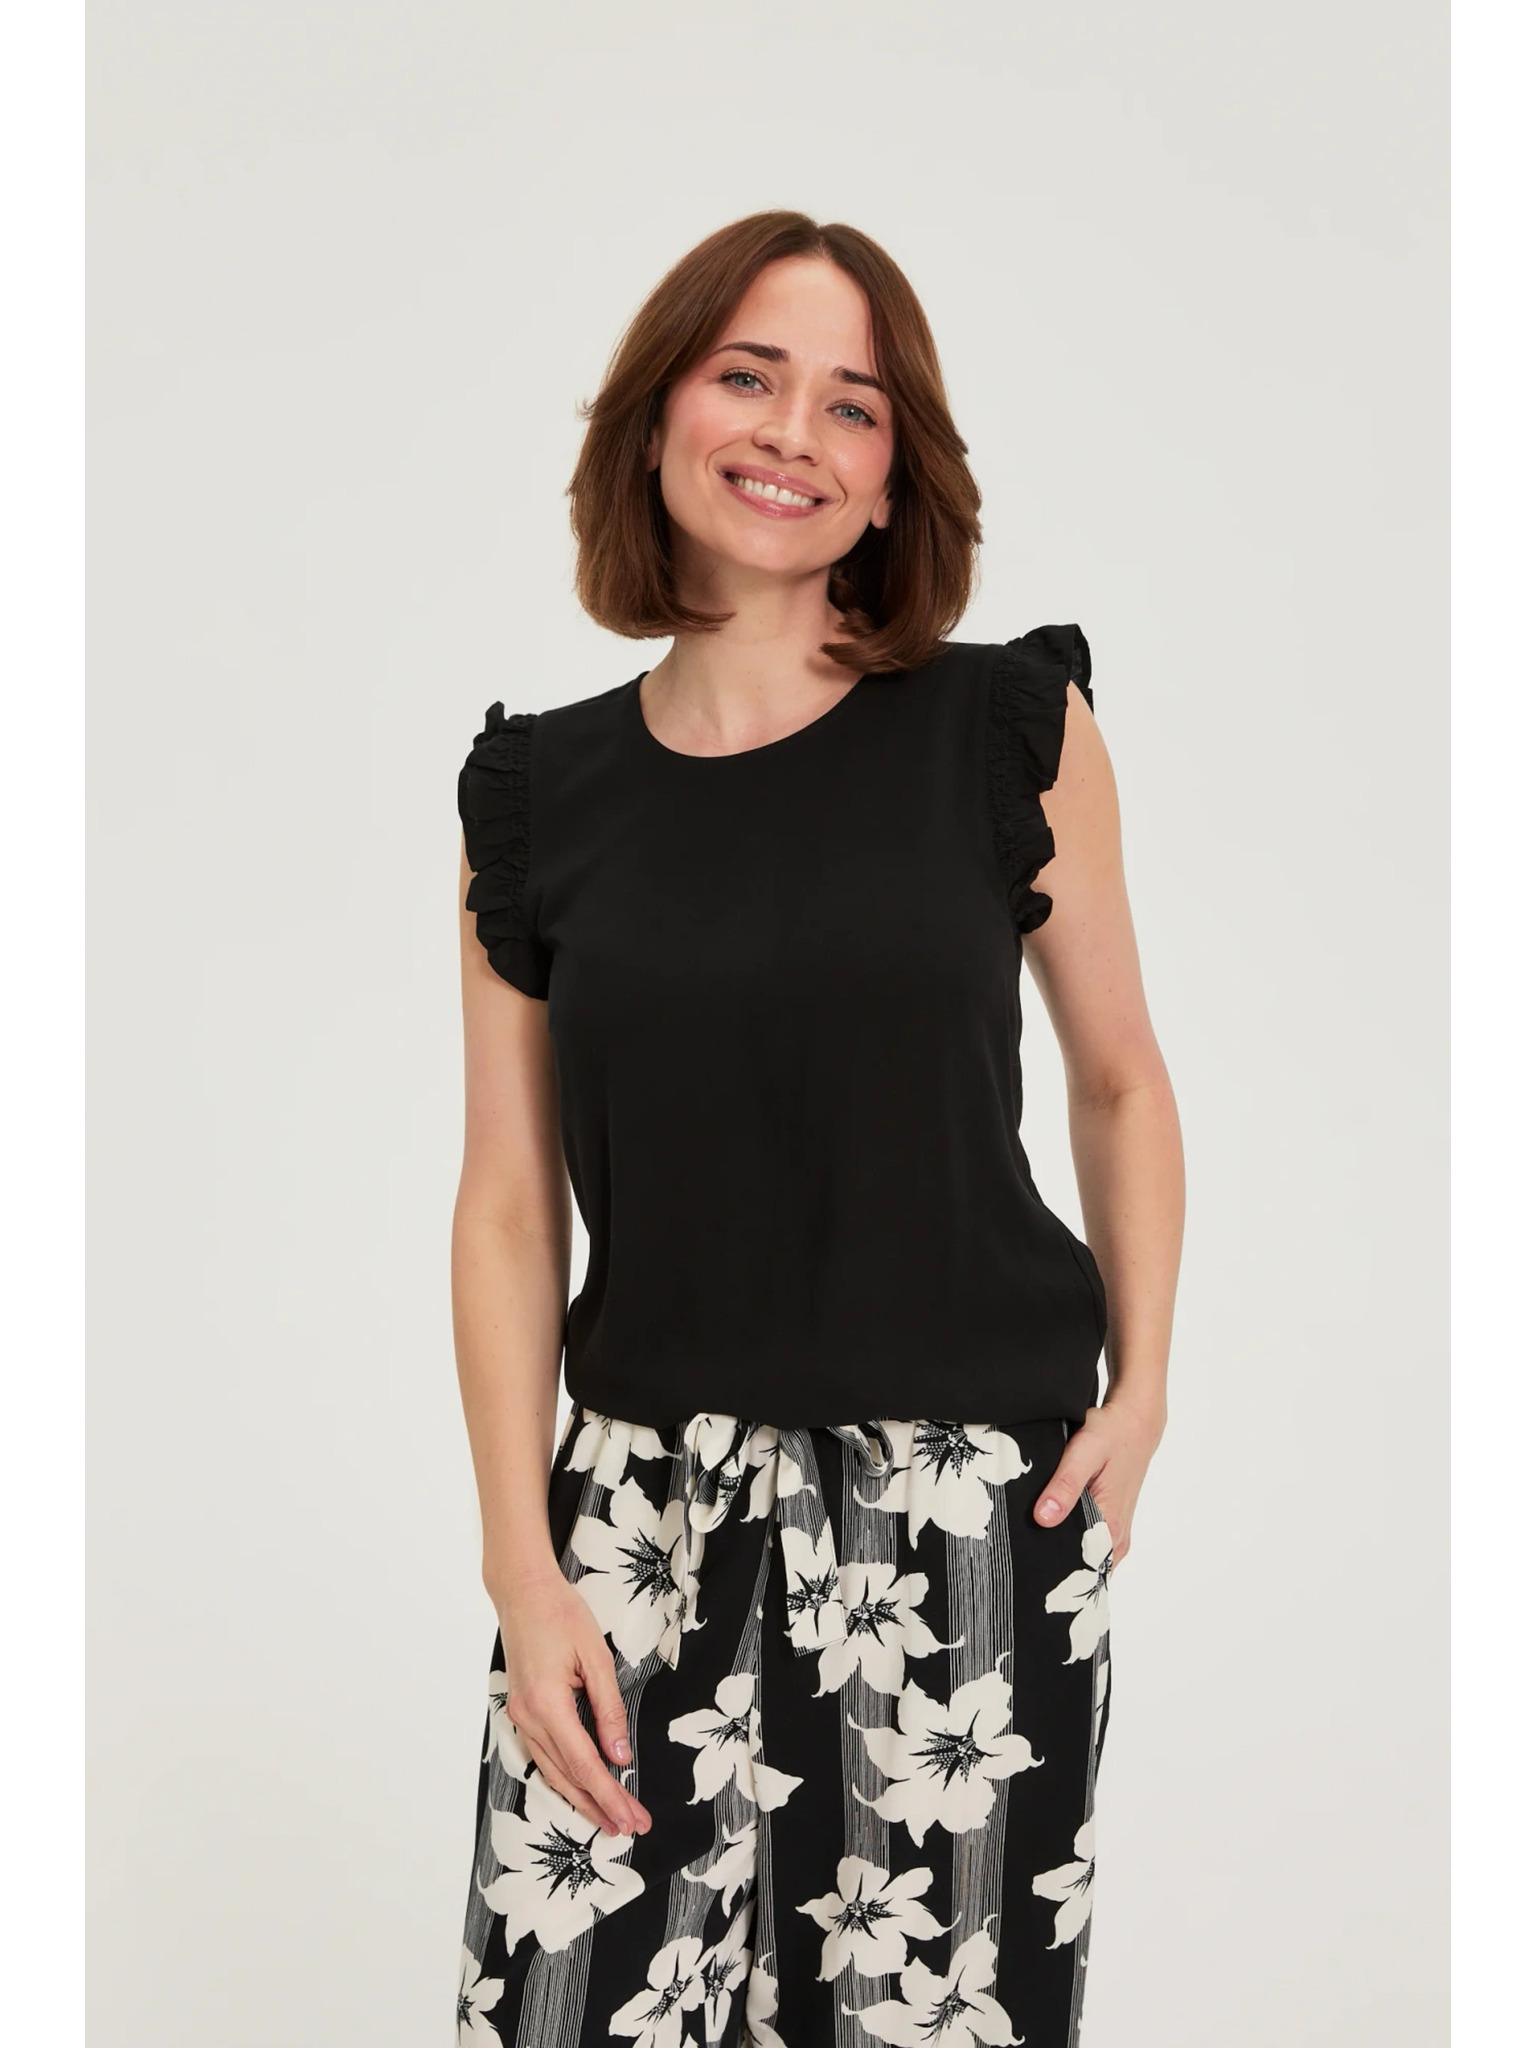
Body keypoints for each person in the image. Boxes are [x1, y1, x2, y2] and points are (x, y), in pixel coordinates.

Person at [450, 211, 1183, 2048]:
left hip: (962, 1512)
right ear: (658, 413)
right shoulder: (535, 795)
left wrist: (1145, 1386)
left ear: (893, 471)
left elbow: (1118, 1076)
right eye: (749, 376)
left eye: (854, 405)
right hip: (637, 1521)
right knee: (566, 2011)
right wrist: (521, 1561)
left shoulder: (1007, 729)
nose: (794, 434)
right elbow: (511, 1203)